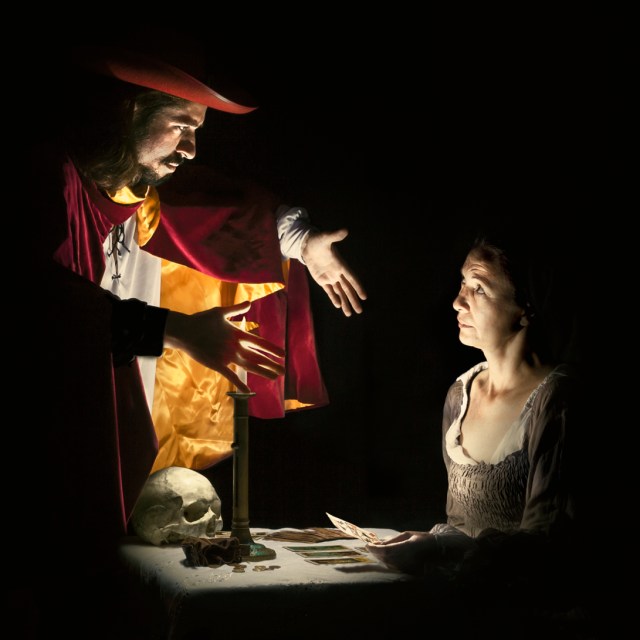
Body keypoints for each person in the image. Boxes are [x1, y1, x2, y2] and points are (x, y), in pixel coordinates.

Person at [25, 32, 366, 637]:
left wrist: (301, 242)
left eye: (196, 131)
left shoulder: (135, 195)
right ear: (130, 111)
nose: (190, 148)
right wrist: (178, 330)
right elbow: (44, 309)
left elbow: (221, 214)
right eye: (181, 125)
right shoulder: (46, 180)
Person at [365, 228, 590, 636]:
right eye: (462, 284)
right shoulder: (461, 393)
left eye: (479, 288)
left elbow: (548, 546)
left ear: (525, 307)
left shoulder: (557, 400)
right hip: (460, 609)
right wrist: (430, 541)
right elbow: (460, 522)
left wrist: (440, 548)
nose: (458, 301)